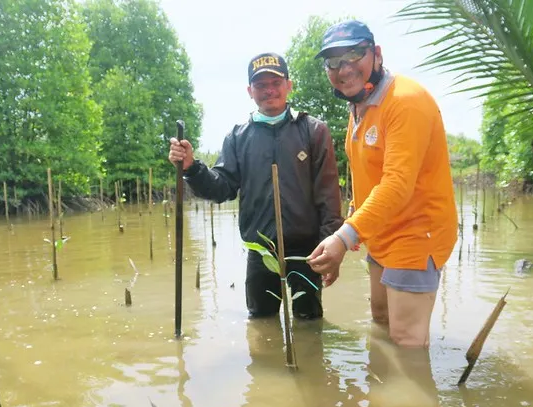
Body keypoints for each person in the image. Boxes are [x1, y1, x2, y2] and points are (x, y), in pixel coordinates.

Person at [306, 21, 458, 347]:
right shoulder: (358, 107)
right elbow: (366, 177)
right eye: (333, 61)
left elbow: (397, 184)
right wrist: (350, 230)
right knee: (380, 318)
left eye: (353, 55)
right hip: (380, 228)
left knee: (406, 340)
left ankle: (413, 398)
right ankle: (380, 396)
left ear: (376, 54)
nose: (343, 69)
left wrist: (342, 240)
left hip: (416, 231)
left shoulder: (404, 101)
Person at [168, 52, 343, 320]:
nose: (269, 90)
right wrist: (192, 167)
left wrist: (330, 246)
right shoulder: (238, 136)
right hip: (260, 251)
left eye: (275, 82)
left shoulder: (314, 131)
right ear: (250, 91)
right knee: (261, 323)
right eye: (261, 85)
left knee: (310, 325)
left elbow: (329, 197)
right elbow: (221, 188)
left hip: (307, 252)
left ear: (288, 85)